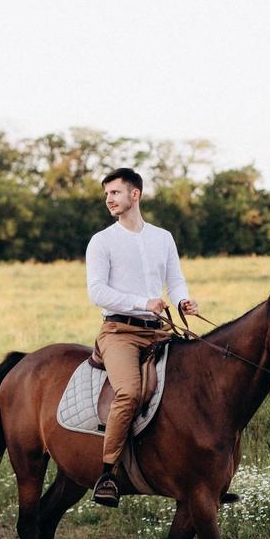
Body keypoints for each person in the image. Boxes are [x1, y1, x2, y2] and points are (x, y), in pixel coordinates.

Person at [85, 167, 197, 507]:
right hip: (120, 332)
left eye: (115, 193)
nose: (109, 199)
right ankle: (108, 474)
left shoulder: (162, 237)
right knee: (130, 392)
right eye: (107, 194)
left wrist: (182, 300)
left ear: (136, 195)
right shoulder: (102, 241)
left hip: (159, 330)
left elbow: (175, 279)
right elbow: (97, 292)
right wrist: (142, 302)